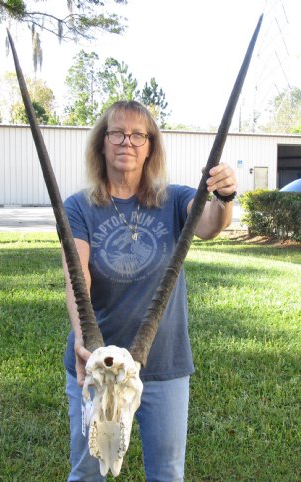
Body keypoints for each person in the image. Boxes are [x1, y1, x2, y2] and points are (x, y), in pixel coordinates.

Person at [62, 100, 237, 482]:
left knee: (168, 473)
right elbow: (76, 278)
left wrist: (223, 197)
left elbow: (207, 224)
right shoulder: (79, 206)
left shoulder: (173, 199)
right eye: (116, 133)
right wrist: (83, 344)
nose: (127, 142)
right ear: (102, 143)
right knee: (88, 470)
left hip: (164, 364)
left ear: (150, 146)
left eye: (138, 135)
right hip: (96, 363)